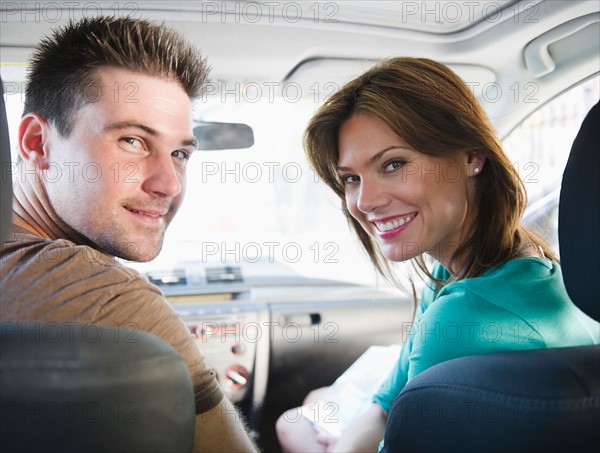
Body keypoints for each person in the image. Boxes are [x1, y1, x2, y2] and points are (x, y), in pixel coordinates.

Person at [275, 57, 599, 452]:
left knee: (297, 421)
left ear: (471, 156)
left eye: (394, 164)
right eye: (351, 178)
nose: (365, 201)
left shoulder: (465, 316)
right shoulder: (498, 270)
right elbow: (386, 404)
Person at [0, 16, 257, 452]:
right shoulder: (109, 300)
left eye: (179, 153)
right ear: (37, 144)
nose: (169, 184)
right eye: (133, 141)